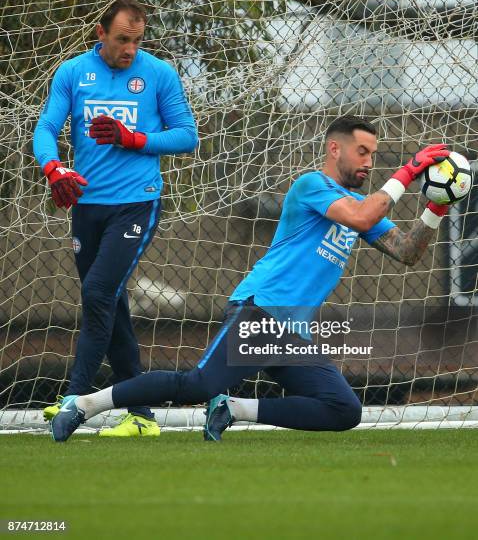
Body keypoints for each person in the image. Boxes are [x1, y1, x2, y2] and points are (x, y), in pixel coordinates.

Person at [49, 116, 449, 442]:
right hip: (260, 312)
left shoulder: (363, 205)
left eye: (373, 155)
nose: (368, 161)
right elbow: (363, 217)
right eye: (362, 151)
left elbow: (408, 252)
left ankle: (234, 409)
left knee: (344, 409)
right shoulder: (312, 185)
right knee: (198, 385)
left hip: (292, 331)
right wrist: (410, 170)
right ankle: (85, 404)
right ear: (334, 149)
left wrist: (436, 205)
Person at [33, 0, 198, 437]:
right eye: (123, 39)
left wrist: (135, 138)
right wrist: (54, 168)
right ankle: (141, 414)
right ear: (101, 34)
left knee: (99, 290)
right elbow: (46, 128)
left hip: (136, 202)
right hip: (87, 206)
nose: (130, 48)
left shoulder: (158, 74)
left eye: (138, 40)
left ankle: (76, 397)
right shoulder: (72, 73)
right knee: (111, 302)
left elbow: (187, 135)